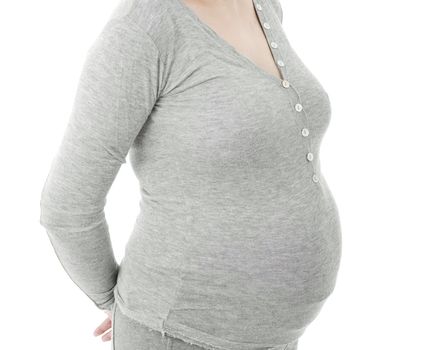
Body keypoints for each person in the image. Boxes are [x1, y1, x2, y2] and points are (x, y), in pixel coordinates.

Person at [39, 0, 343, 349]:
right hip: (179, 335)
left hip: (277, 339)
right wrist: (118, 304)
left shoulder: (263, 6)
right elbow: (66, 205)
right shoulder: (143, 28)